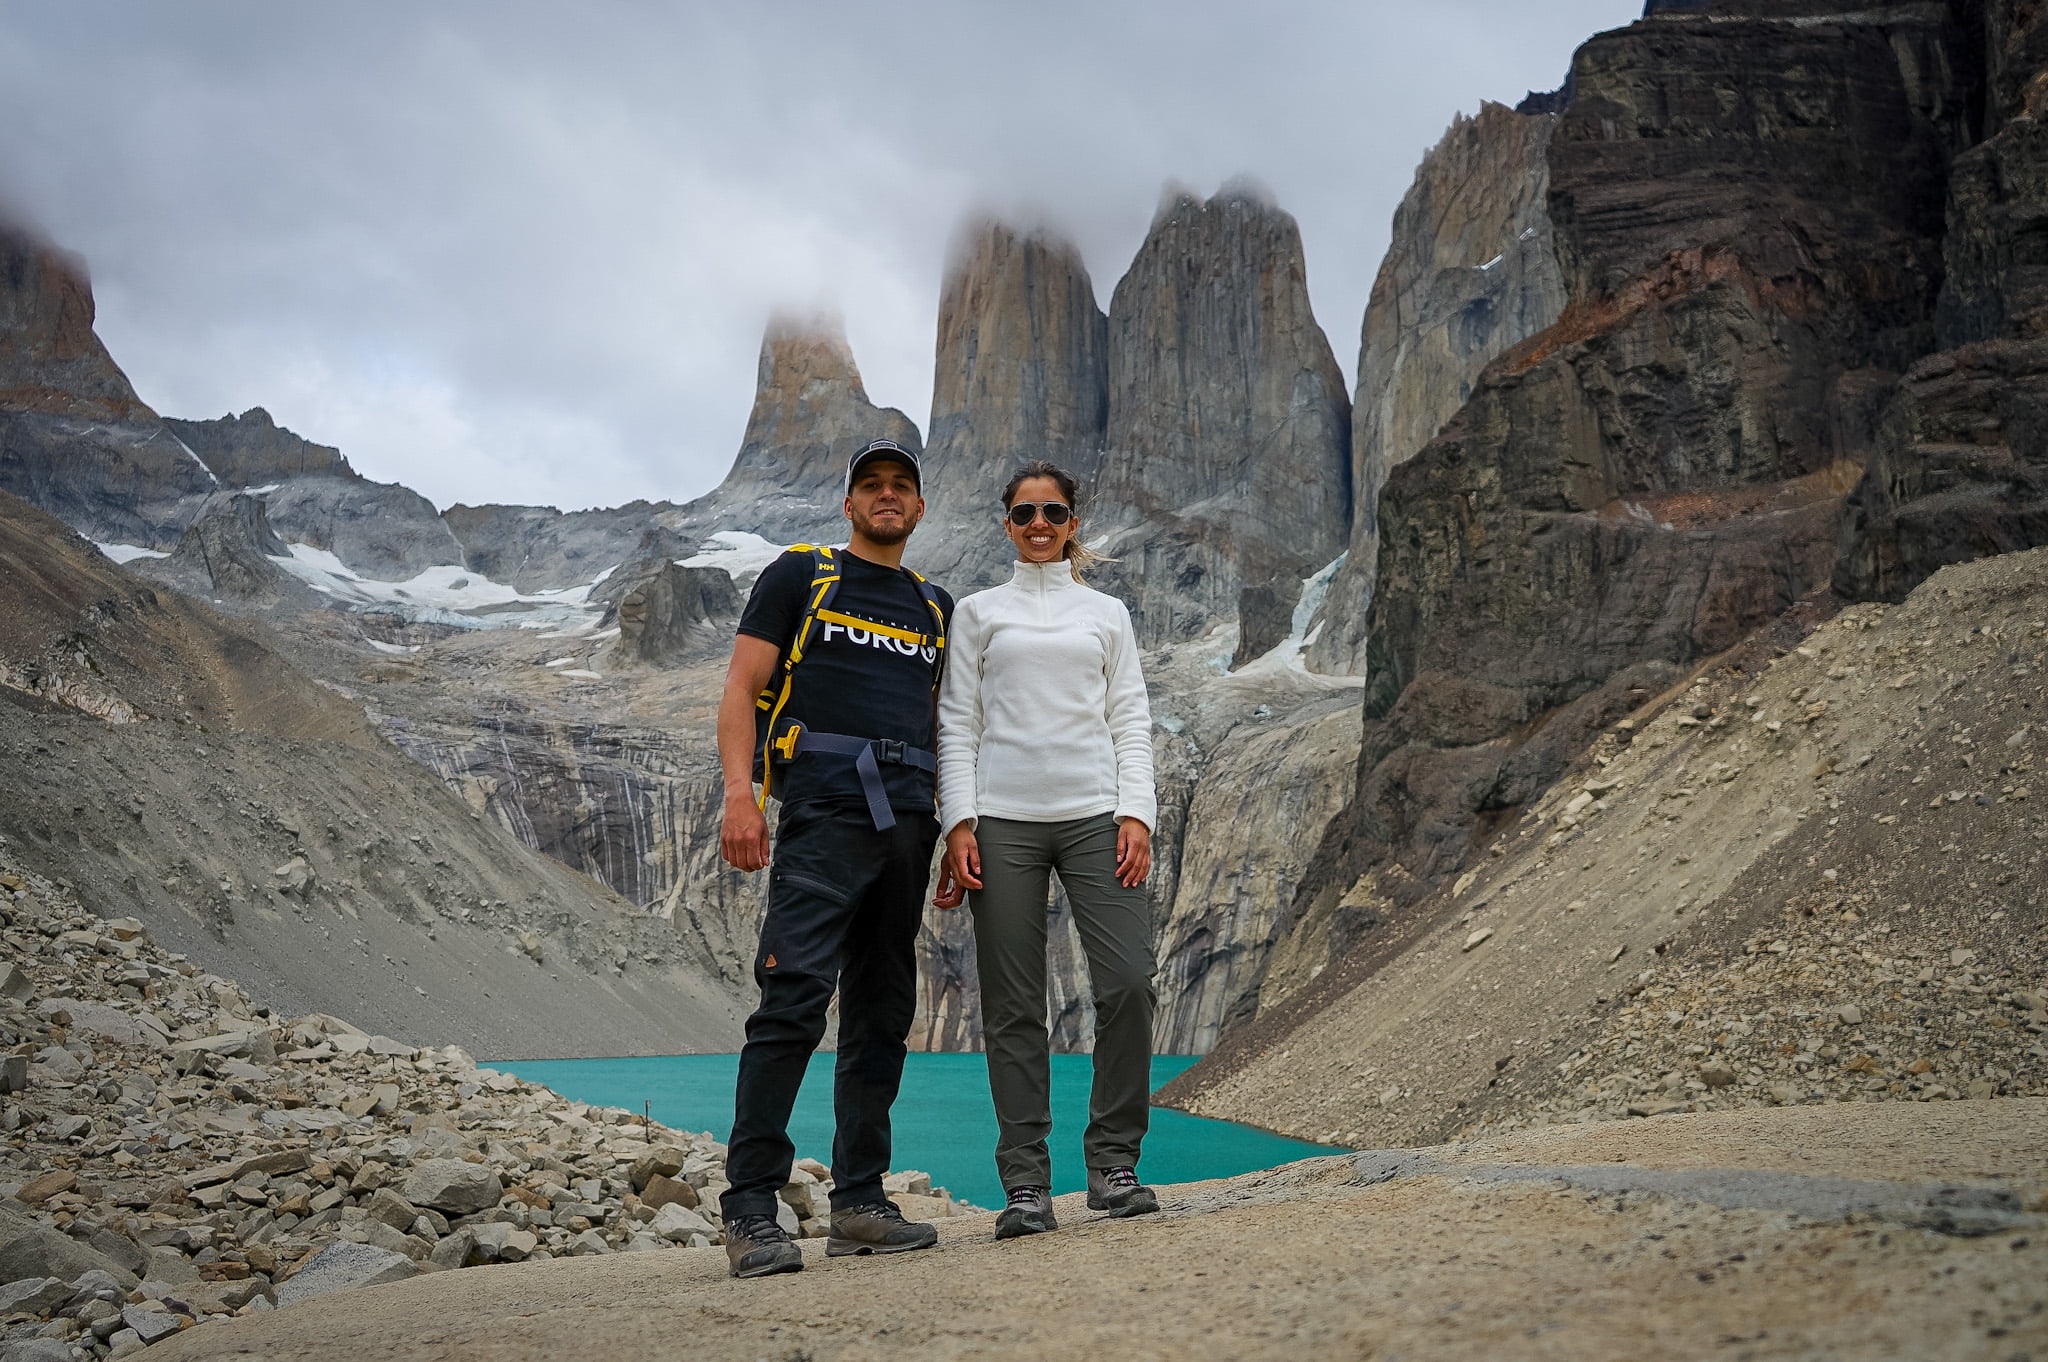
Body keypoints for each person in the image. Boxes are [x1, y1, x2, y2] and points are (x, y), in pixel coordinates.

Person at [715, 437, 954, 1278]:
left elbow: (945, 726)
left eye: (901, 487)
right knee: (793, 1000)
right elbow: (742, 688)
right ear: (848, 503)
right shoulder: (800, 574)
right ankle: (750, 1208)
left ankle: (859, 1200)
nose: (886, 497)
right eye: (871, 486)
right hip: (822, 812)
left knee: (882, 1011)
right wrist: (741, 794)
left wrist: (953, 830)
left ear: (920, 508)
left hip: (909, 825)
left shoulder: (933, 606)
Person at [933, 459, 1160, 1240]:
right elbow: (957, 722)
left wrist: (1138, 814)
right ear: (1007, 525)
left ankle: (1113, 1163)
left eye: (1053, 513)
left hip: (1098, 814)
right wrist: (958, 821)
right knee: (1013, 1008)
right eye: (1024, 513)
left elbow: (1129, 717)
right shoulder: (976, 613)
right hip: (1003, 822)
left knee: (1129, 982)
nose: (1038, 525)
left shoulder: (1108, 614)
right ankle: (1027, 1183)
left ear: (1072, 524)